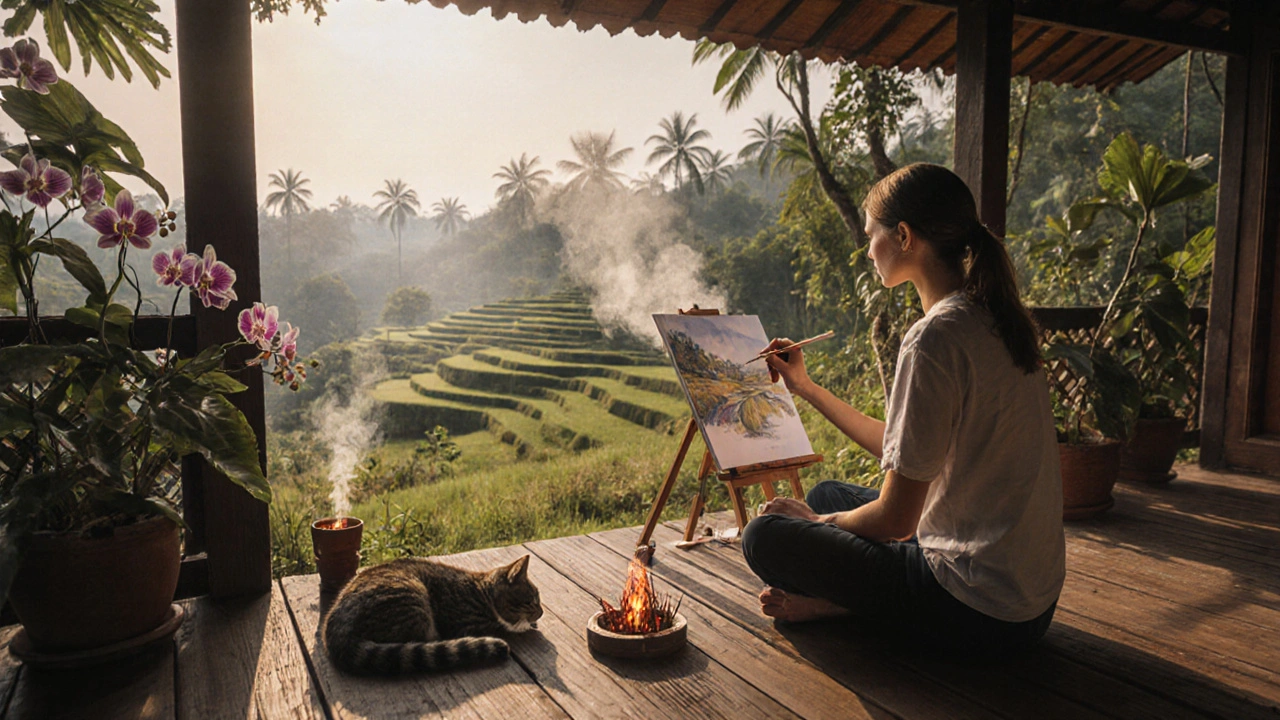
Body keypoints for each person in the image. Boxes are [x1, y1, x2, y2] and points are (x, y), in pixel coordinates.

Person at [743, 163, 1064, 652]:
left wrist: (814, 526)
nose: (868, 248)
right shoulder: (992, 317)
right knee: (828, 493)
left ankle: (848, 607)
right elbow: (901, 448)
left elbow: (897, 522)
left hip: (979, 609)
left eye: (872, 234)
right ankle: (853, 600)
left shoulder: (934, 337)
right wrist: (804, 386)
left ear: (905, 236)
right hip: (1029, 601)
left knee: (765, 534)